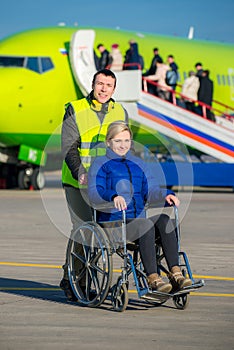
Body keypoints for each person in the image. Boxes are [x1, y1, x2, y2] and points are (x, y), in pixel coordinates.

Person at [88, 121, 192, 293]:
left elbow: (150, 189)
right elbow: (94, 192)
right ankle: (153, 278)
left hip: (138, 220)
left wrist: (165, 195)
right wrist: (112, 196)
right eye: (118, 141)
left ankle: (176, 272)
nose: (123, 145)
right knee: (145, 225)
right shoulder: (100, 164)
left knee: (165, 219)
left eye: (127, 141)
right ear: (108, 142)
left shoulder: (138, 163)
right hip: (114, 223)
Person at [60, 69, 129, 301]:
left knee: (103, 229)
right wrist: (80, 172)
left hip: (104, 183)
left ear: (114, 89)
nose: (103, 89)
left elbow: (123, 147)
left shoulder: (120, 111)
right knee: (84, 226)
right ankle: (73, 278)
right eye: (100, 84)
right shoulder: (75, 108)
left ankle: (83, 276)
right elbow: (69, 146)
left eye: (108, 85)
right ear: (92, 85)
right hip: (76, 180)